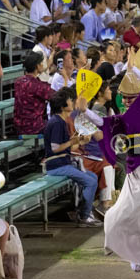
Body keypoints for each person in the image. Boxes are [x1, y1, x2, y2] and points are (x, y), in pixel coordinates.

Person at [77, 49, 140, 279]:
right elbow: (105, 125)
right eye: (125, 97)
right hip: (134, 175)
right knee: (114, 219)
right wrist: (85, 110)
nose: (127, 101)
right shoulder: (127, 116)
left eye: (131, 97)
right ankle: (138, 259)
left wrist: (133, 69)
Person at [42, 88, 101, 227]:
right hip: (56, 166)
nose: (72, 102)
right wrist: (72, 141)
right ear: (63, 106)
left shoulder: (60, 121)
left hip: (63, 163)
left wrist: (81, 142)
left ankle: (82, 211)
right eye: (69, 100)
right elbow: (56, 148)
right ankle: (84, 216)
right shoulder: (57, 123)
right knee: (90, 182)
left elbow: (68, 148)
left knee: (92, 177)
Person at [14, 52, 55, 135]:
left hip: (19, 125)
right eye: (41, 63)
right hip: (33, 126)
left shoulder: (18, 81)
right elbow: (56, 96)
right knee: (60, 125)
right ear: (37, 66)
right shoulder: (36, 85)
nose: (43, 65)